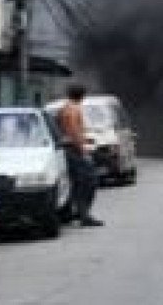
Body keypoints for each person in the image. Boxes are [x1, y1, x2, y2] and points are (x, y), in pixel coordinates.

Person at [58, 84, 103, 228]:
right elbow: (73, 131)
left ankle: (70, 214)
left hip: (67, 148)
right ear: (83, 95)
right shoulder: (73, 109)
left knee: (75, 183)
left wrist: (84, 140)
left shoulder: (64, 108)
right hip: (73, 149)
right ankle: (84, 215)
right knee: (88, 182)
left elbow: (66, 130)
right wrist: (83, 150)